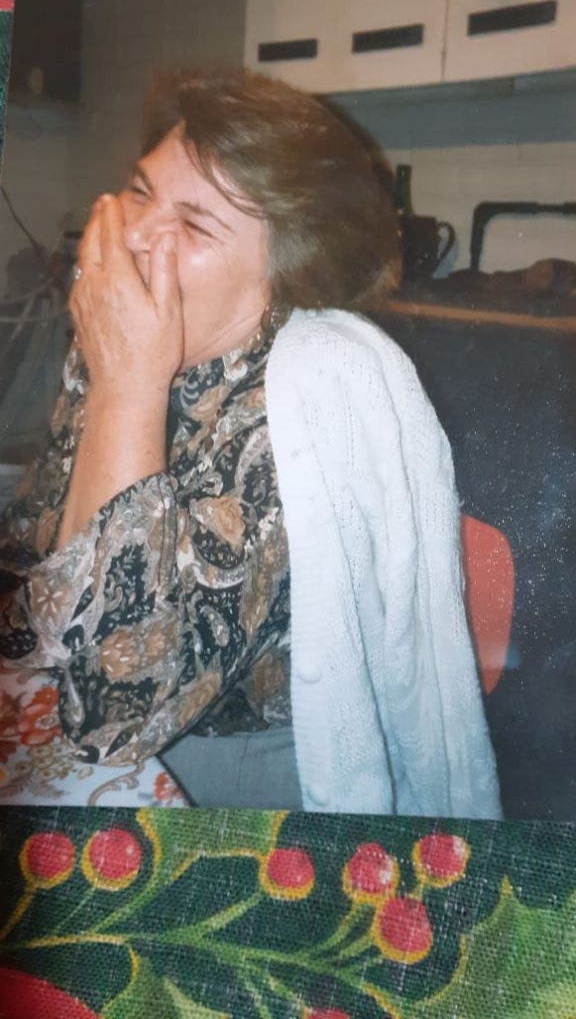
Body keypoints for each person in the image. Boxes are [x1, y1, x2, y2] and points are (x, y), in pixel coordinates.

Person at [0, 68, 501, 817]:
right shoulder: (131, 333)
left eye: (196, 225)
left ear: (286, 275)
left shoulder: (309, 408)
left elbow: (111, 715)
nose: (135, 234)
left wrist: (126, 387)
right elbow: (35, 550)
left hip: (230, 780)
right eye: (139, 191)